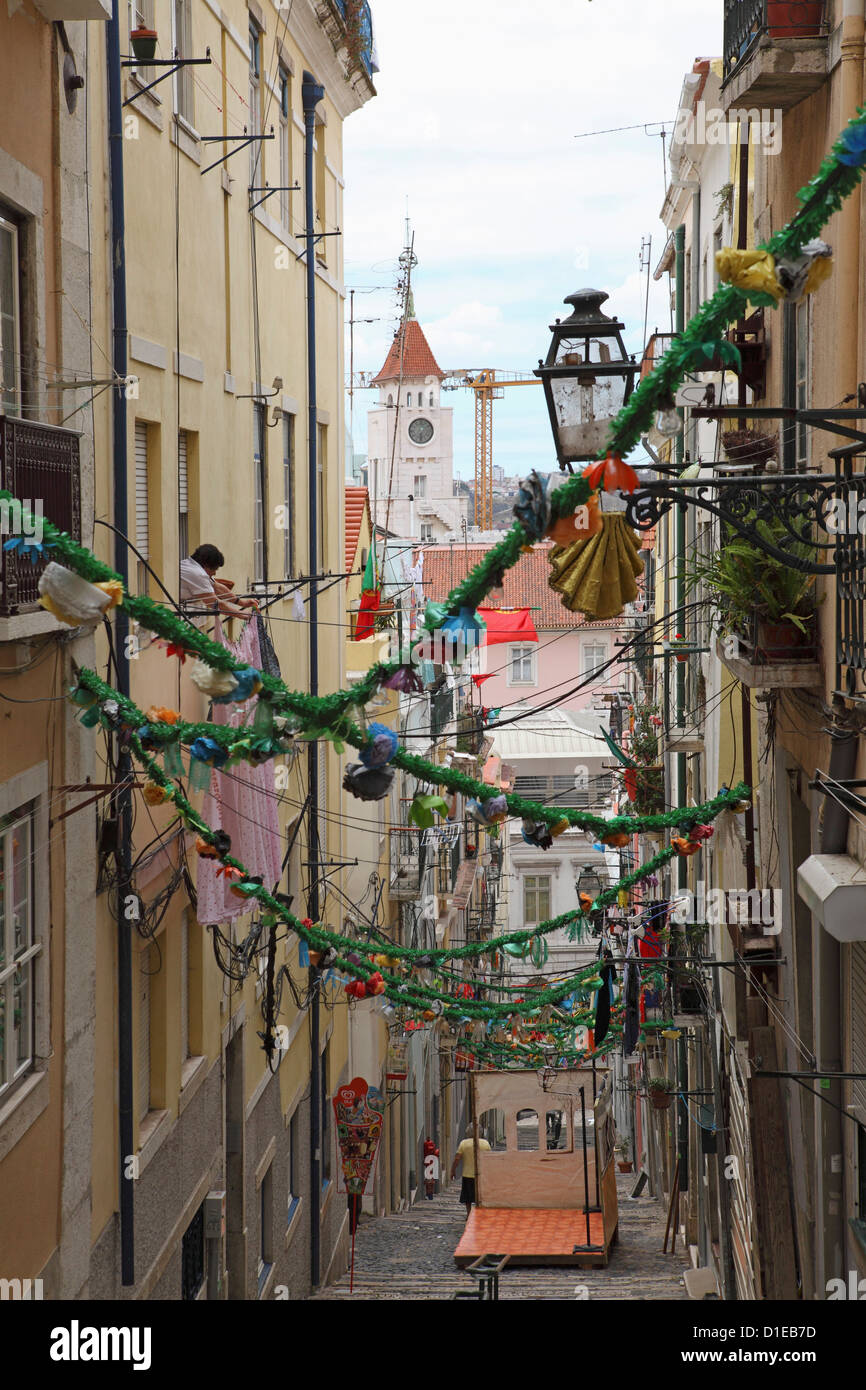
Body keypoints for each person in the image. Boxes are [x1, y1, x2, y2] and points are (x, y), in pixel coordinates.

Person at [179, 544, 259, 618]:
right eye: (214, 569)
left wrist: (242, 603)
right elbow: (214, 603)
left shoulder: (190, 565)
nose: (214, 573)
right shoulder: (198, 574)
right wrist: (241, 614)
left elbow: (218, 588)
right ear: (206, 565)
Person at [449, 1121, 490, 1219]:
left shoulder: (464, 1143)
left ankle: (468, 1214)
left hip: (467, 1174)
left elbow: (457, 1158)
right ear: (480, 1132)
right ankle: (479, 1213)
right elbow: (489, 1158)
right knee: (480, 1196)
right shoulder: (485, 1143)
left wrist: (453, 1170)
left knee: (467, 1197)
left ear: (468, 1132)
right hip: (481, 1174)